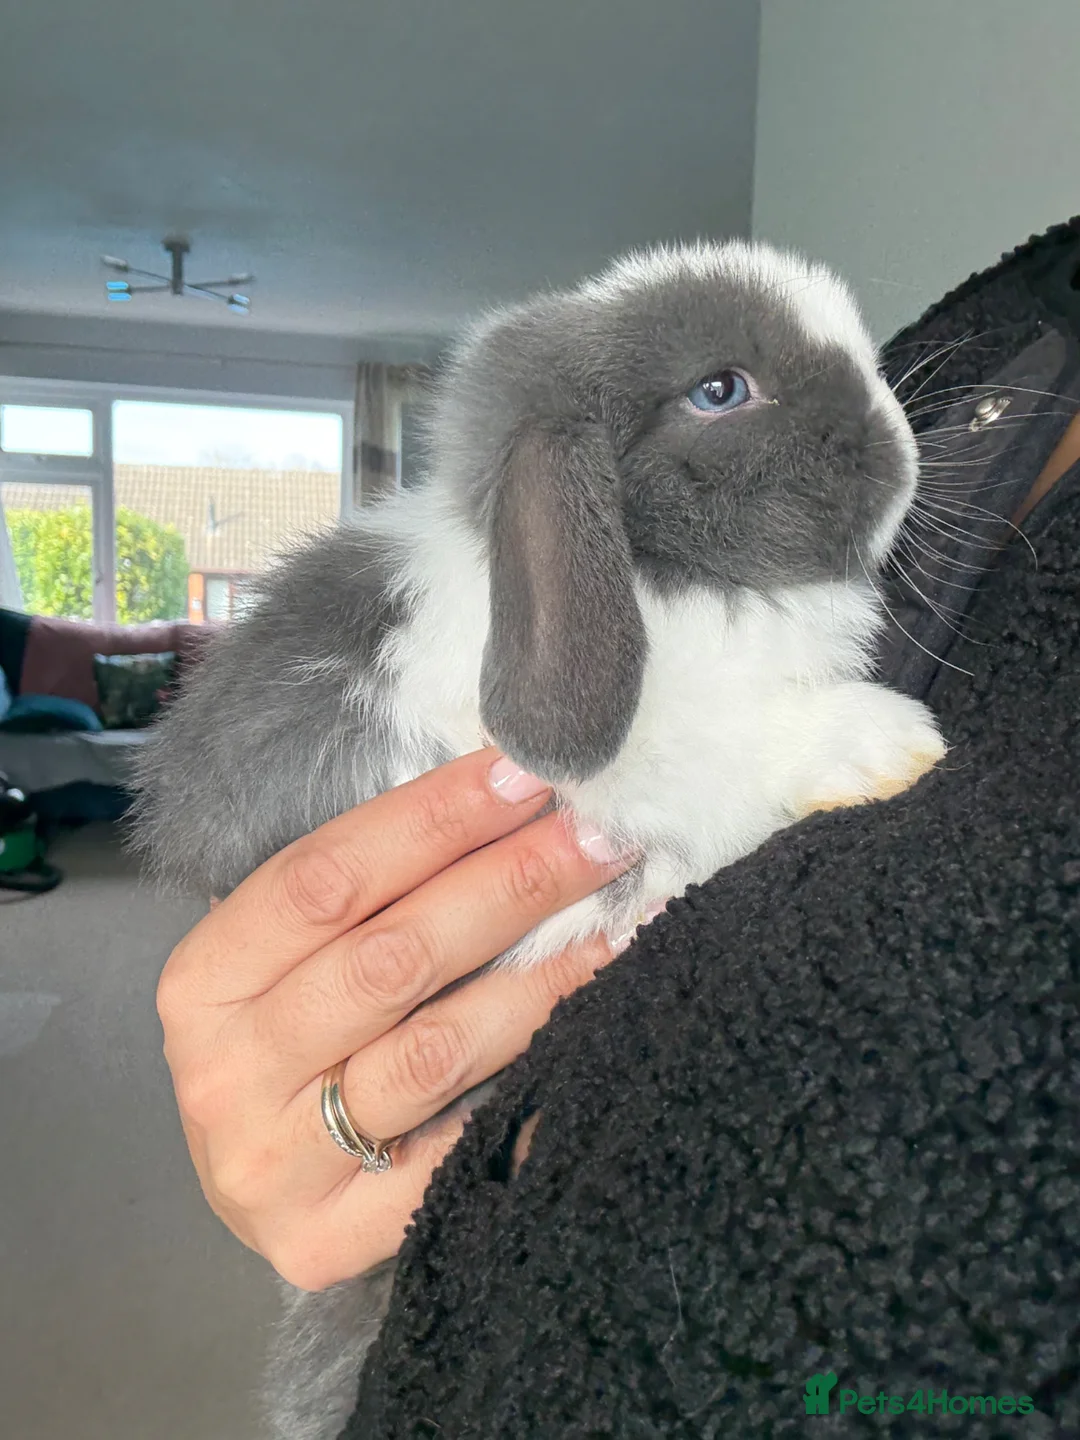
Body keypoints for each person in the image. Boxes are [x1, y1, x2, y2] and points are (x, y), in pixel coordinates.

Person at [156, 217, 1080, 1436]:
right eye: (725, 391)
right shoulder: (1016, 315)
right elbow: (579, 748)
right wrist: (308, 1087)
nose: (883, 435)